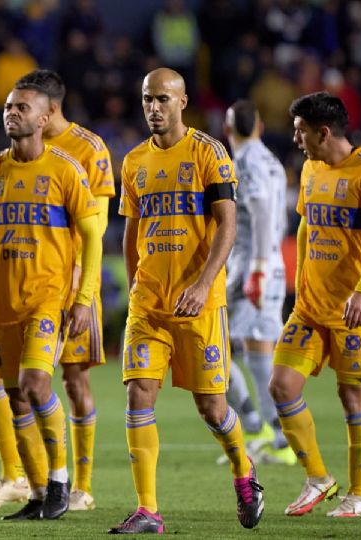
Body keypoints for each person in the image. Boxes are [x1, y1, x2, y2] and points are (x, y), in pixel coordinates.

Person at [109, 68, 263, 534]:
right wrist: (137, 285)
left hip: (200, 302)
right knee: (139, 393)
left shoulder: (208, 153)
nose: (152, 108)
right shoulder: (134, 161)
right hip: (149, 305)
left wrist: (201, 285)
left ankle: (244, 472)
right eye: (146, 99)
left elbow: (228, 225)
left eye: (161, 99)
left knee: (212, 409)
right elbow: (132, 234)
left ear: (182, 102)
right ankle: (148, 510)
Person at [0, 69, 113, 512]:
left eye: (23, 106)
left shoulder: (85, 152)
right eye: (10, 106)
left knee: (70, 379)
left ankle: (77, 485)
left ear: (48, 110)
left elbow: (97, 224)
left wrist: (82, 289)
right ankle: (24, 480)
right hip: (17, 282)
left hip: (64, 284)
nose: (14, 112)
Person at [269, 92, 361, 519]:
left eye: (301, 130)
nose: (295, 137)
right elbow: (305, 225)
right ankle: (319, 478)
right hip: (310, 305)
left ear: (323, 132)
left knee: (352, 398)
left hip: (354, 309)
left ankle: (358, 495)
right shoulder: (309, 167)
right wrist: (299, 281)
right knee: (281, 386)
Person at [221, 99, 296, 466]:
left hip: (251, 267)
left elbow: (263, 211)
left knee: (213, 346)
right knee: (259, 353)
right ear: (261, 127)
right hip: (272, 264)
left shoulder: (247, 162)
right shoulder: (271, 161)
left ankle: (255, 426)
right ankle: (279, 439)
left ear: (227, 130)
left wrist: (257, 268)